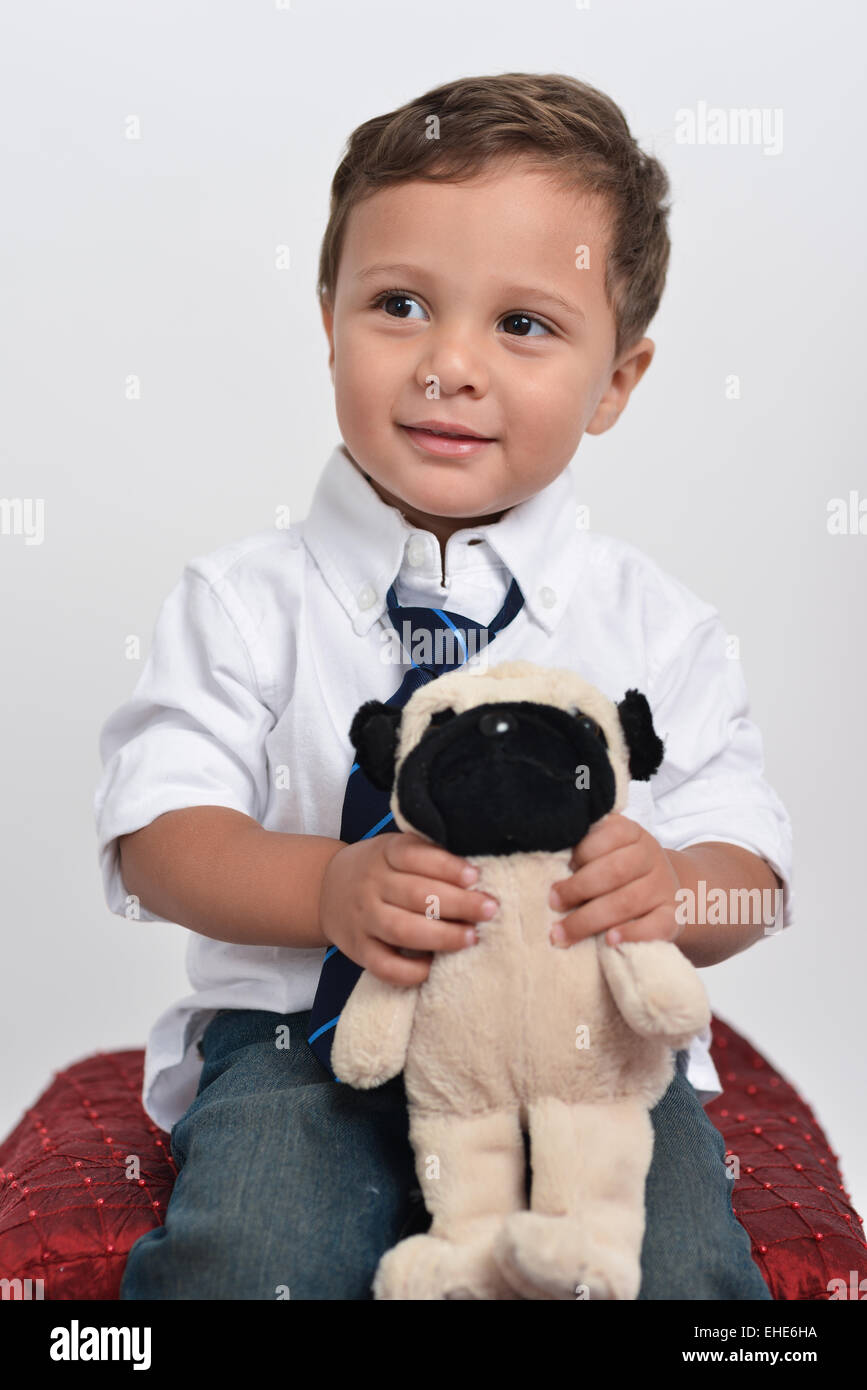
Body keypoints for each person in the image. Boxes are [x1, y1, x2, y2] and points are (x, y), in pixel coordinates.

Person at [95, 72, 793, 1300]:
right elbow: (159, 836)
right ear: (328, 320)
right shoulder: (243, 599)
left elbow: (760, 885)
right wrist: (326, 883)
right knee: (252, 1254)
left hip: (587, 1054)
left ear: (616, 380)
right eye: (400, 304)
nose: (450, 364)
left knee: (675, 1269)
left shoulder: (656, 623)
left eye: (524, 325)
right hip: (309, 1038)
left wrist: (680, 886)